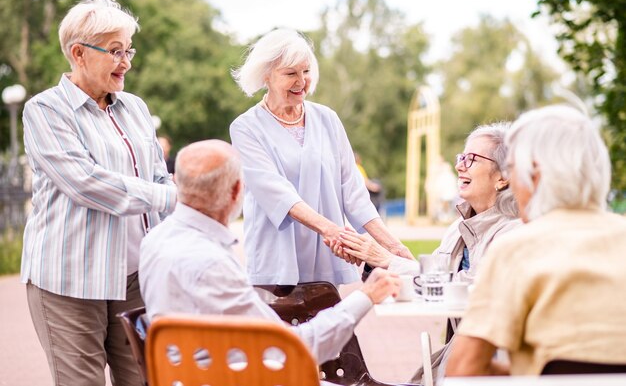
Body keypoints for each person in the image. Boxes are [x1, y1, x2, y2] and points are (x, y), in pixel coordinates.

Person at [21, 0, 175, 386]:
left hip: (135, 279)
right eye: (114, 51)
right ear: (78, 53)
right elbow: (86, 183)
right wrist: (170, 196)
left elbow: (159, 174)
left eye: (129, 50)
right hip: (69, 280)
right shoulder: (45, 110)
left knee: (144, 379)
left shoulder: (135, 108)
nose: (126, 62)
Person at [139, 139, 401, 369]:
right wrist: (365, 297)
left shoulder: (154, 241)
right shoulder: (212, 263)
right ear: (235, 192)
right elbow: (295, 348)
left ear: (177, 183)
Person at [446, 105, 626, 377]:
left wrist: (527, 375)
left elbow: (463, 370)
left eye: (513, 169)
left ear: (536, 175)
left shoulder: (515, 248)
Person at [339, 122, 521, 384]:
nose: (460, 166)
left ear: (503, 176)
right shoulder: (459, 228)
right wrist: (374, 262)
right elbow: (428, 278)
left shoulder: (513, 232)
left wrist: (386, 259)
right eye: (461, 157)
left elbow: (470, 289)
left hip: (490, 364)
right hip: (461, 356)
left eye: (472, 159)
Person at [229, 28, 411, 286]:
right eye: (291, 73)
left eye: (306, 71)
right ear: (266, 76)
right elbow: (279, 195)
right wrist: (335, 232)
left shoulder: (327, 119)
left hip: (325, 253)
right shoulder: (246, 128)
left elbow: (353, 190)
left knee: (330, 321)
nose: (301, 81)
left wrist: (393, 246)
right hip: (278, 255)